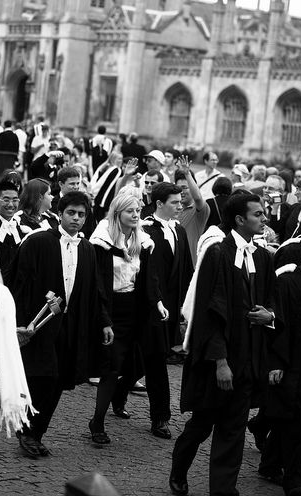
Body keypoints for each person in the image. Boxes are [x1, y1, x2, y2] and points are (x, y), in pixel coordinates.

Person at [169, 192, 277, 496]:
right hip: (218, 362)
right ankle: (179, 469)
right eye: (258, 214)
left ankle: (223, 490)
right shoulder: (217, 254)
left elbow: (272, 304)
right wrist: (220, 362)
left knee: (232, 431)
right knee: (201, 426)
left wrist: (269, 316)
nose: (265, 218)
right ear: (240, 219)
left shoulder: (264, 257)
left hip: (247, 361)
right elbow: (208, 313)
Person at [9, 191, 111, 457]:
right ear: (60, 213)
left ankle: (36, 433)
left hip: (70, 326)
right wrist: (19, 323)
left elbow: (95, 290)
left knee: (56, 381)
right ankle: (26, 432)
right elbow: (19, 284)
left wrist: (104, 322)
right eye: (71, 213)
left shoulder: (88, 249)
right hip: (38, 325)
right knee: (39, 379)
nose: (76, 219)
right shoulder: (38, 242)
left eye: (81, 215)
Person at [88, 190, 169, 445]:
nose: (136, 215)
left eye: (137, 211)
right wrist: (103, 318)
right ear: (117, 214)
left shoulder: (142, 241)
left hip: (138, 306)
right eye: (130, 211)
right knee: (111, 367)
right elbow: (97, 283)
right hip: (112, 308)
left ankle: (160, 417)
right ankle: (97, 421)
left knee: (152, 358)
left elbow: (149, 277)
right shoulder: (101, 241)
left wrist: (157, 302)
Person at [259, 226, 301, 496]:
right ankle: (294, 481)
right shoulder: (290, 281)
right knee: (295, 419)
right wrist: (277, 363)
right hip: (296, 359)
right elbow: (280, 326)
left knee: (300, 415)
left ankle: (270, 462)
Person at [140, 183, 193, 437]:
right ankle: (160, 417)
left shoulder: (180, 231)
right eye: (174, 202)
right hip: (150, 306)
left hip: (172, 308)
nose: (180, 206)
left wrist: (186, 305)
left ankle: (117, 395)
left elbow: (186, 270)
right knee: (156, 360)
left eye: (181, 202)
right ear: (159, 203)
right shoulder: (144, 230)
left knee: (143, 359)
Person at [174, 156, 210, 266]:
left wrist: (187, 174)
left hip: (190, 264)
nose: (181, 192)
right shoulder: (172, 209)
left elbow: (198, 198)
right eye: (178, 188)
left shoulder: (200, 209)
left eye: (185, 187)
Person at [90, 152, 123, 223]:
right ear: (113, 159)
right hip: (104, 201)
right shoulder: (116, 170)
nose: (121, 161)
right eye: (119, 159)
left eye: (121, 159)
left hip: (97, 199)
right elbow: (109, 187)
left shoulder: (104, 167)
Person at [0, 120, 19, 190]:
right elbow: (16, 148)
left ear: (4, 125)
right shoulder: (14, 136)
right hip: (10, 160)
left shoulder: (2, 135)